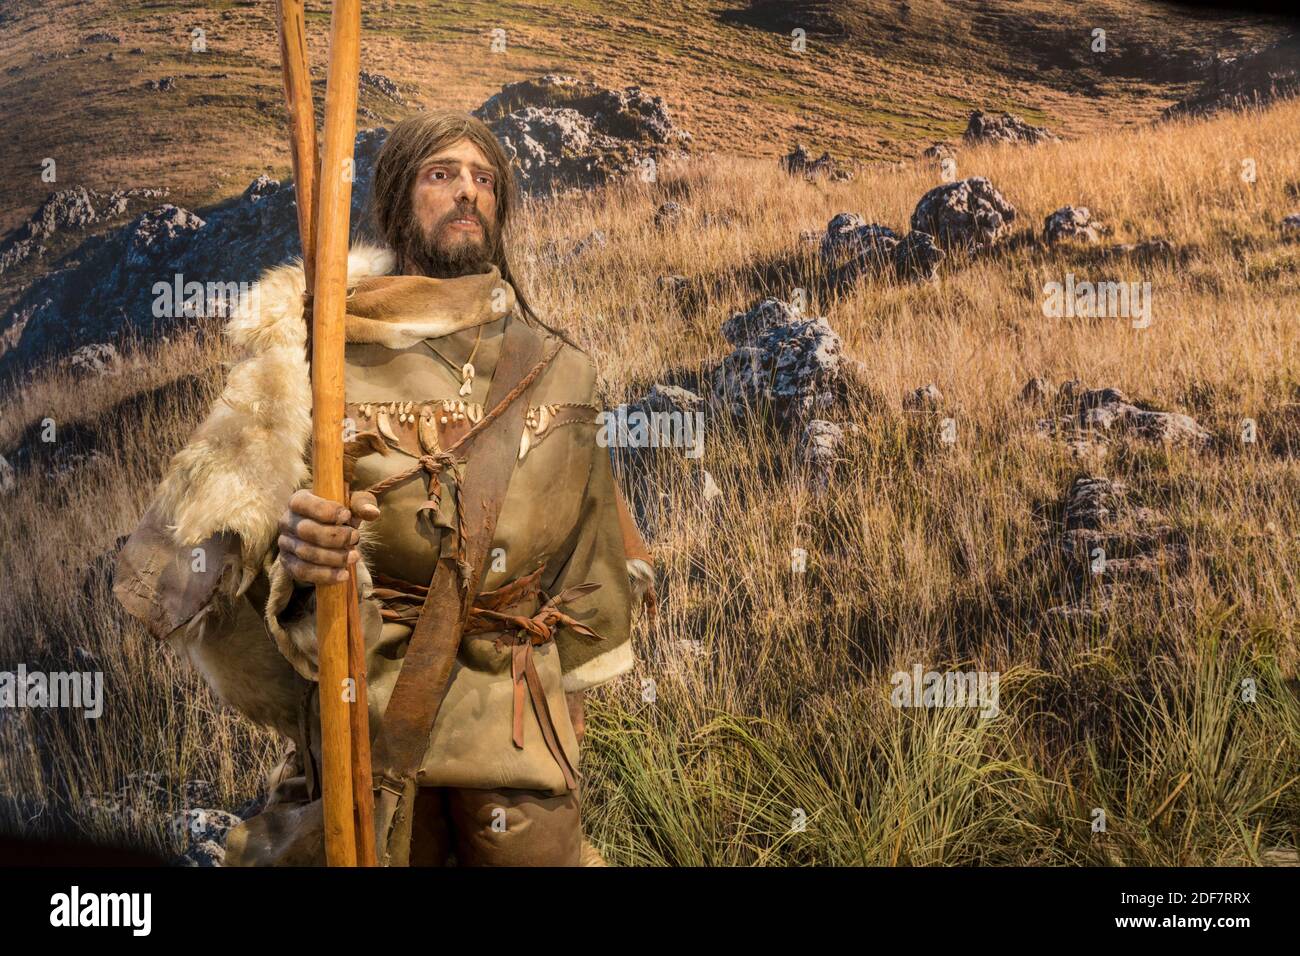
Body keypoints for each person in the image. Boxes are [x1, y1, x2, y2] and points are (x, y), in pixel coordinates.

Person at [113, 110, 654, 866]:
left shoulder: (561, 370)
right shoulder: (320, 360)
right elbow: (218, 557)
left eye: (484, 179)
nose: (468, 192)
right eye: (442, 174)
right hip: (367, 719)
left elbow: (592, 562)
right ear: (400, 201)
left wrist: (566, 735)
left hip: (520, 737)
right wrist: (302, 566)